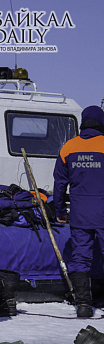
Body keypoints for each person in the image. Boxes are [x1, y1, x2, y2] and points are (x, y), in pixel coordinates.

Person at [53, 105, 104, 318]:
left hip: (80, 213)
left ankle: (83, 305)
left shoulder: (69, 147)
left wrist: (59, 210)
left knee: (80, 258)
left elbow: (59, 183)